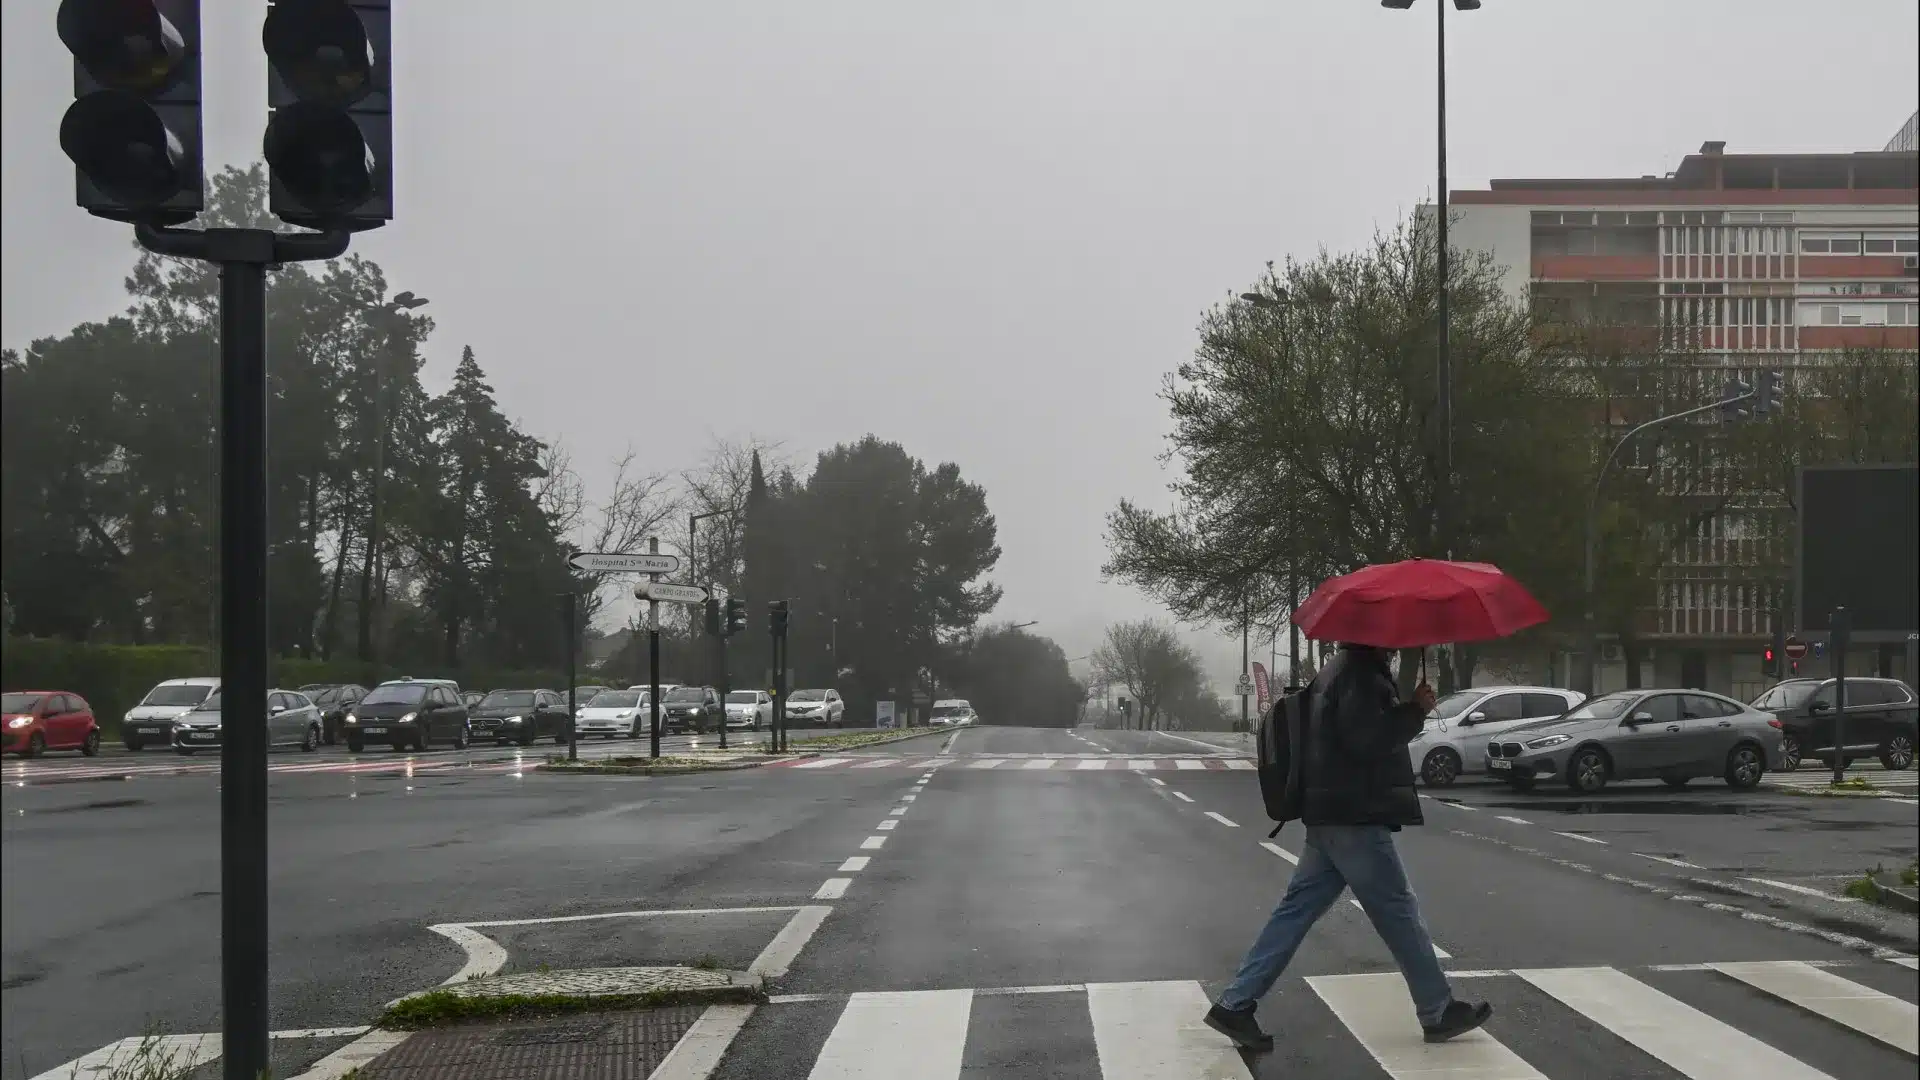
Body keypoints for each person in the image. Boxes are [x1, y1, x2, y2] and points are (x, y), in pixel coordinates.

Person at [1205, 642, 1493, 1051]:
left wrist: (1405, 708)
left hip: (1329, 812)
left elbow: (1353, 735)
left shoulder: (1338, 669)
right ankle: (1437, 1009)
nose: (1397, 644)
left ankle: (1234, 1005)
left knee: (1295, 912)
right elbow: (1367, 742)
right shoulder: (1361, 675)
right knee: (1398, 910)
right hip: (1355, 815)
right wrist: (1414, 711)